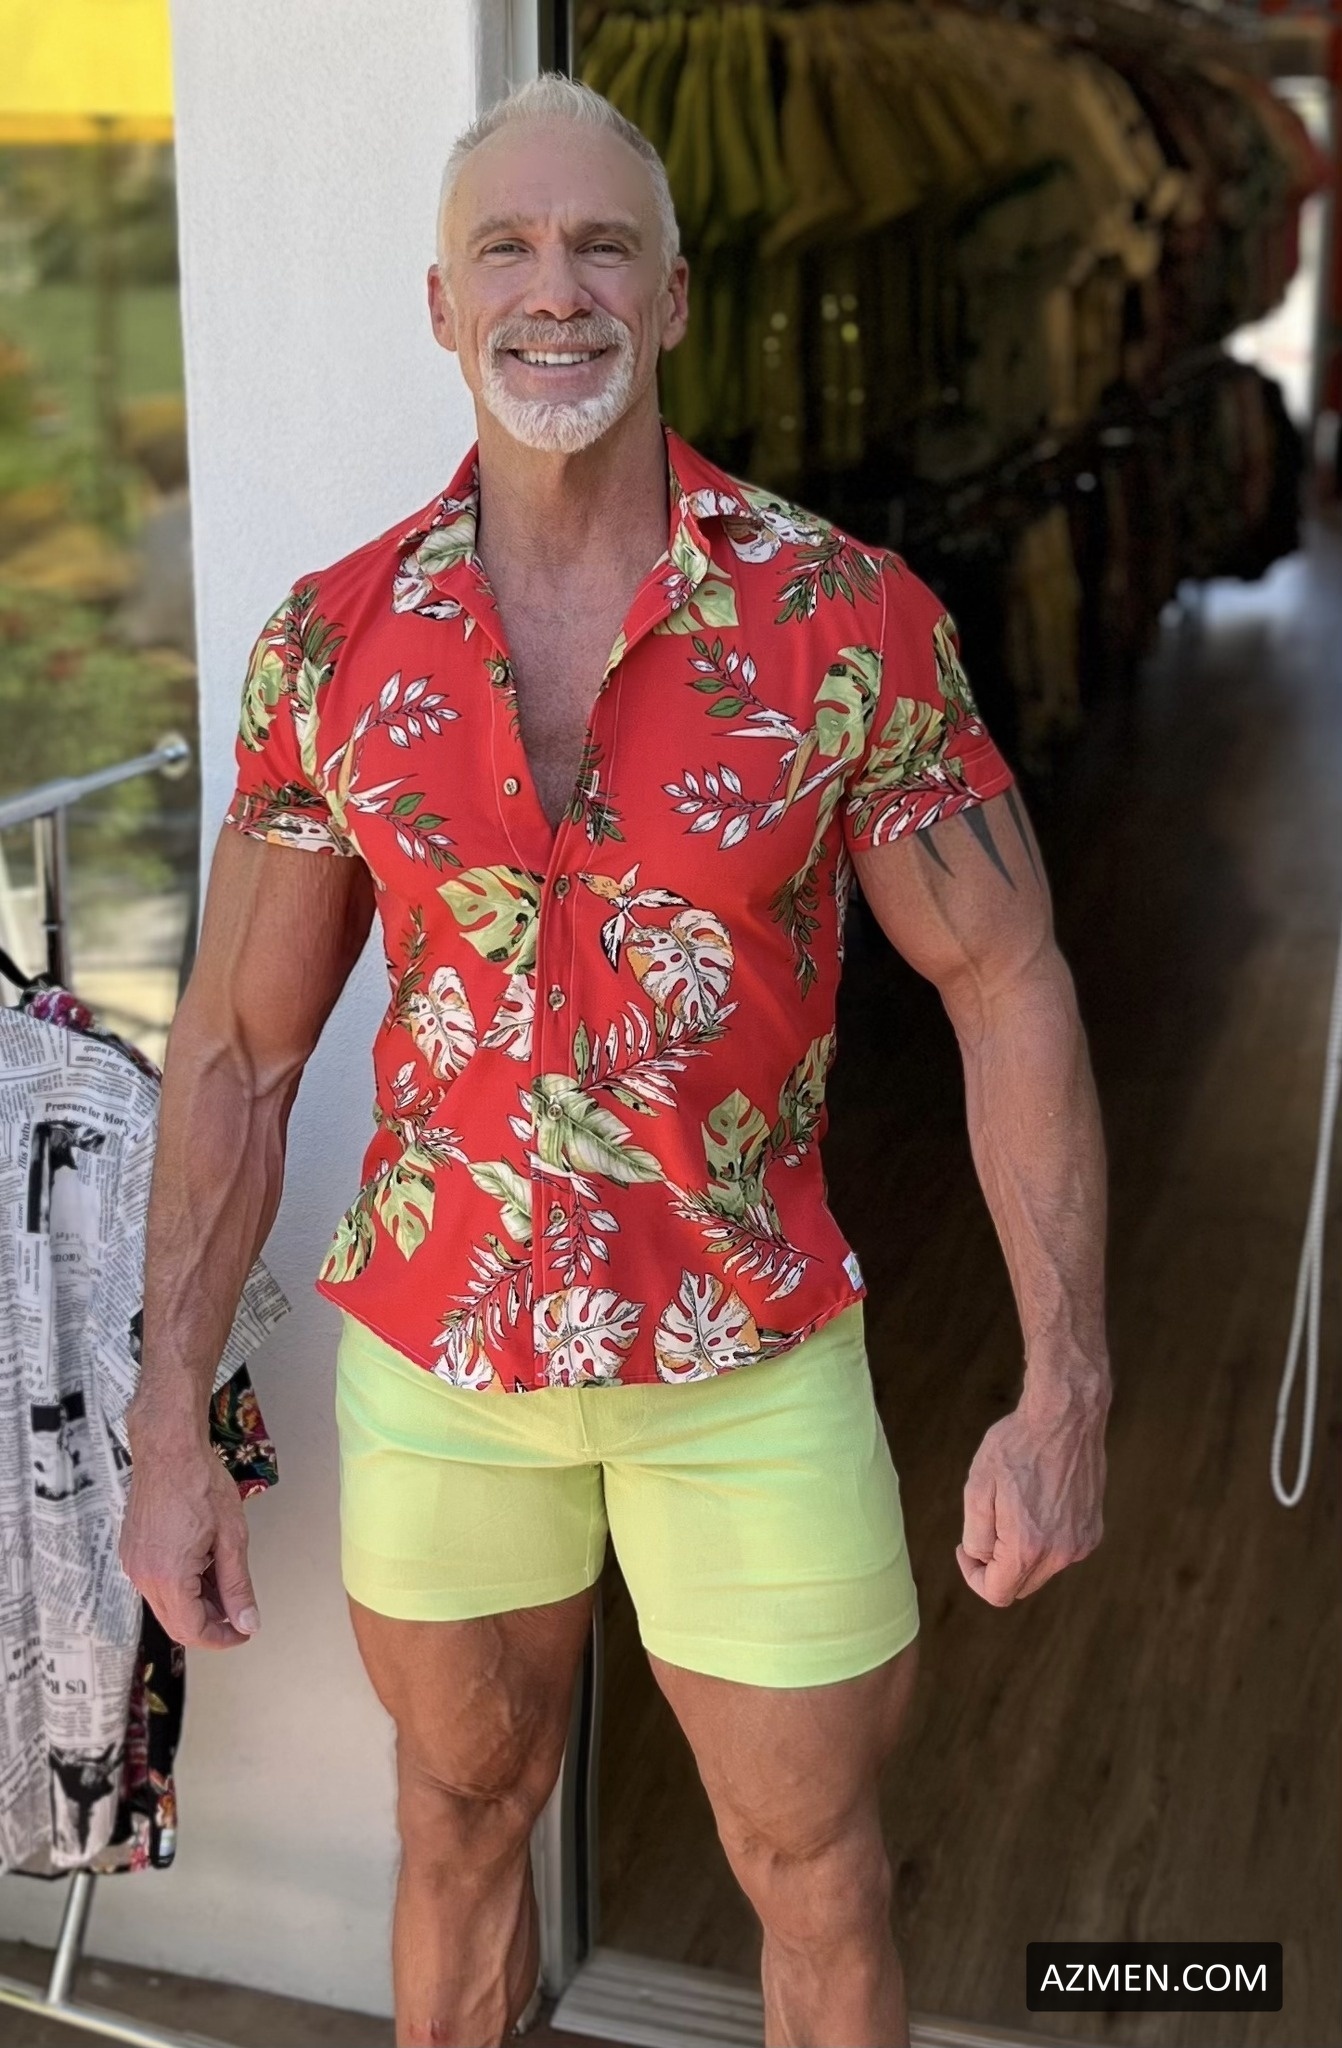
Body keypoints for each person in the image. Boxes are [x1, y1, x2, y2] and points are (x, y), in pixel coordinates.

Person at [119, 74, 1110, 2048]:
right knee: (455, 1827)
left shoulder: (843, 621)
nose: (552, 288)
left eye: (600, 248)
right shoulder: (332, 645)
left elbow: (1007, 981)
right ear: (440, 304)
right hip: (441, 1367)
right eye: (505, 247)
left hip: (749, 1365)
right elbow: (235, 1051)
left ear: (670, 299)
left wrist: (1061, 1384)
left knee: (814, 1873)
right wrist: (168, 1424)